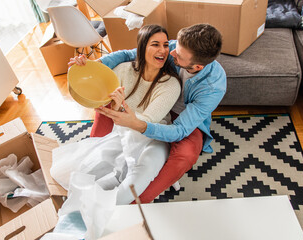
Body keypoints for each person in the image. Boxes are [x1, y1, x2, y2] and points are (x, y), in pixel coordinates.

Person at [94, 23, 227, 203]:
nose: (170, 53)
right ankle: (94, 152)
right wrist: (96, 64)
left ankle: (139, 202)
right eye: (174, 47)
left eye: (178, 55)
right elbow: (130, 54)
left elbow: (180, 130)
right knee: (106, 107)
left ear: (197, 67)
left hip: (182, 117)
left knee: (186, 155)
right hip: (155, 100)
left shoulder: (213, 87)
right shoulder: (175, 47)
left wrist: (140, 126)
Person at [52, 25, 181, 204]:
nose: (163, 50)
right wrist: (84, 68)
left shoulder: (171, 84)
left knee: (139, 177)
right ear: (142, 47)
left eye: (166, 45)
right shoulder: (122, 70)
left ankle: (104, 210)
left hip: (154, 138)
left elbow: (147, 122)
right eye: (156, 44)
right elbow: (94, 94)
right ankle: (86, 207)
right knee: (86, 170)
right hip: (122, 135)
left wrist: (121, 109)